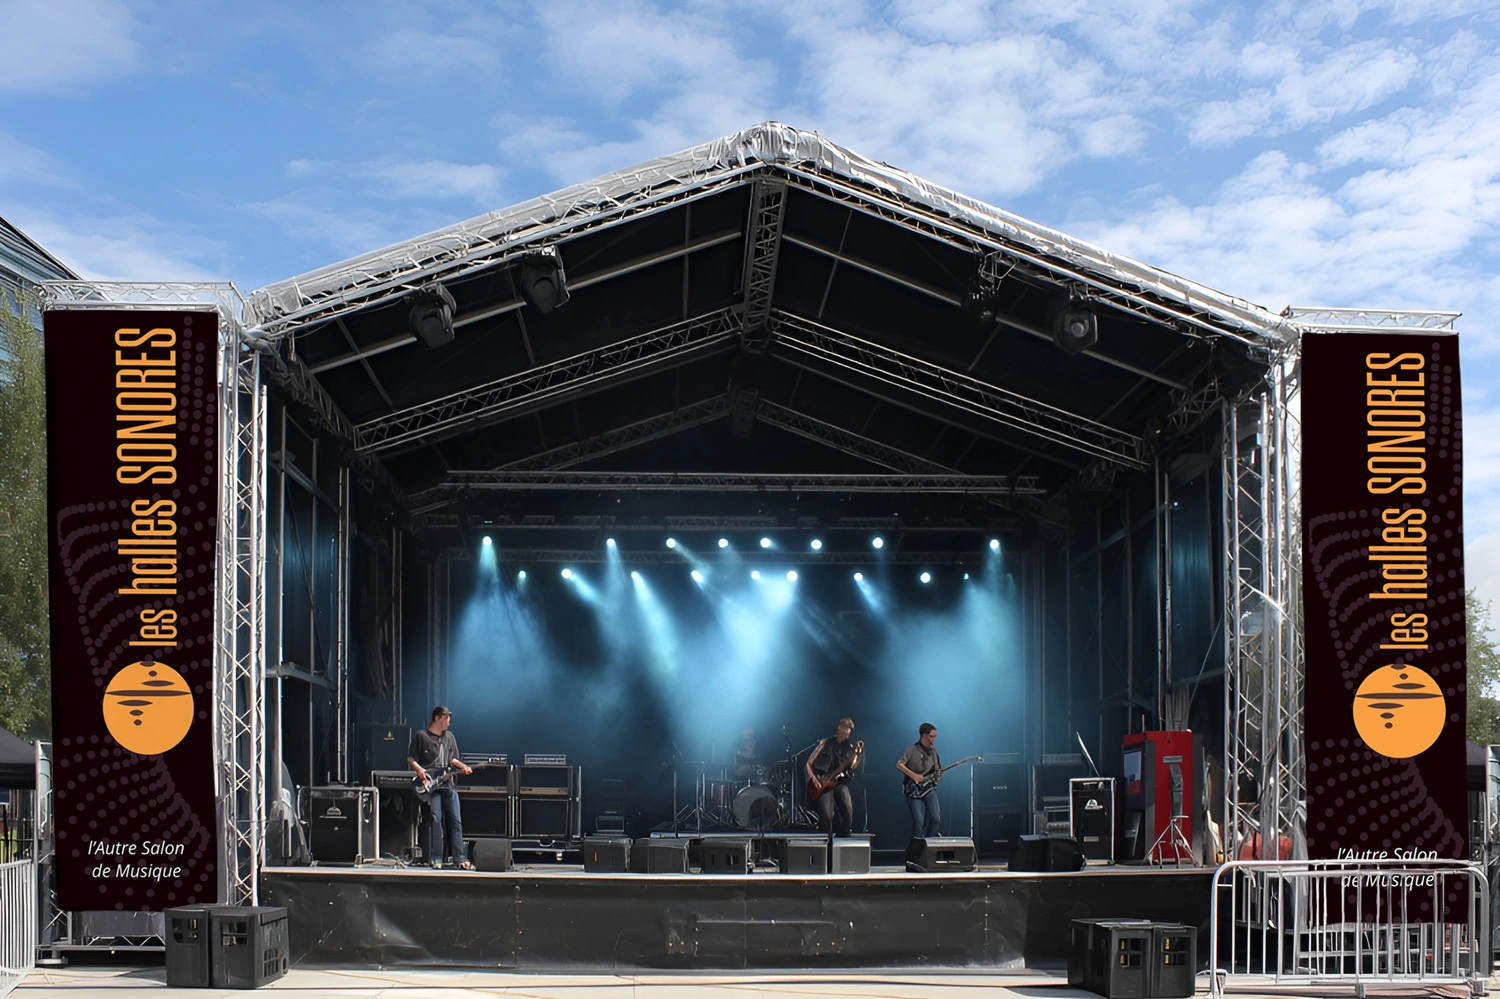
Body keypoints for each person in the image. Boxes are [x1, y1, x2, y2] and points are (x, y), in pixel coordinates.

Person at [407, 706, 474, 870]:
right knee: (437, 820)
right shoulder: (421, 736)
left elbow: (453, 759)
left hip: (448, 784)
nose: (448, 724)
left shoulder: (449, 737)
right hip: (433, 785)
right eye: (446, 720)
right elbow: (411, 758)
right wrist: (420, 771)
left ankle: (460, 859)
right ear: (437, 718)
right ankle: (436, 857)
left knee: (455, 821)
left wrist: (464, 767)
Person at [806, 717, 861, 838]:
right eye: (845, 729)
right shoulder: (826, 743)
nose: (847, 733)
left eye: (849, 730)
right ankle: (826, 843)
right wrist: (815, 780)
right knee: (826, 816)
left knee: (848, 813)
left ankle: (842, 838)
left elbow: (851, 767)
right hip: (823, 782)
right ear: (839, 728)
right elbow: (808, 763)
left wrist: (855, 759)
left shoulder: (850, 748)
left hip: (839, 782)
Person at [896, 723, 942, 839]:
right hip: (914, 790)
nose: (933, 740)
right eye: (931, 737)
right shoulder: (911, 750)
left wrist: (937, 776)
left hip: (929, 788)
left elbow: (937, 770)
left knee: (935, 818)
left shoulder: (933, 752)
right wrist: (914, 776)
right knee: (919, 821)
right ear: (924, 735)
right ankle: (918, 849)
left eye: (935, 737)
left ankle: (930, 843)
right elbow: (899, 765)